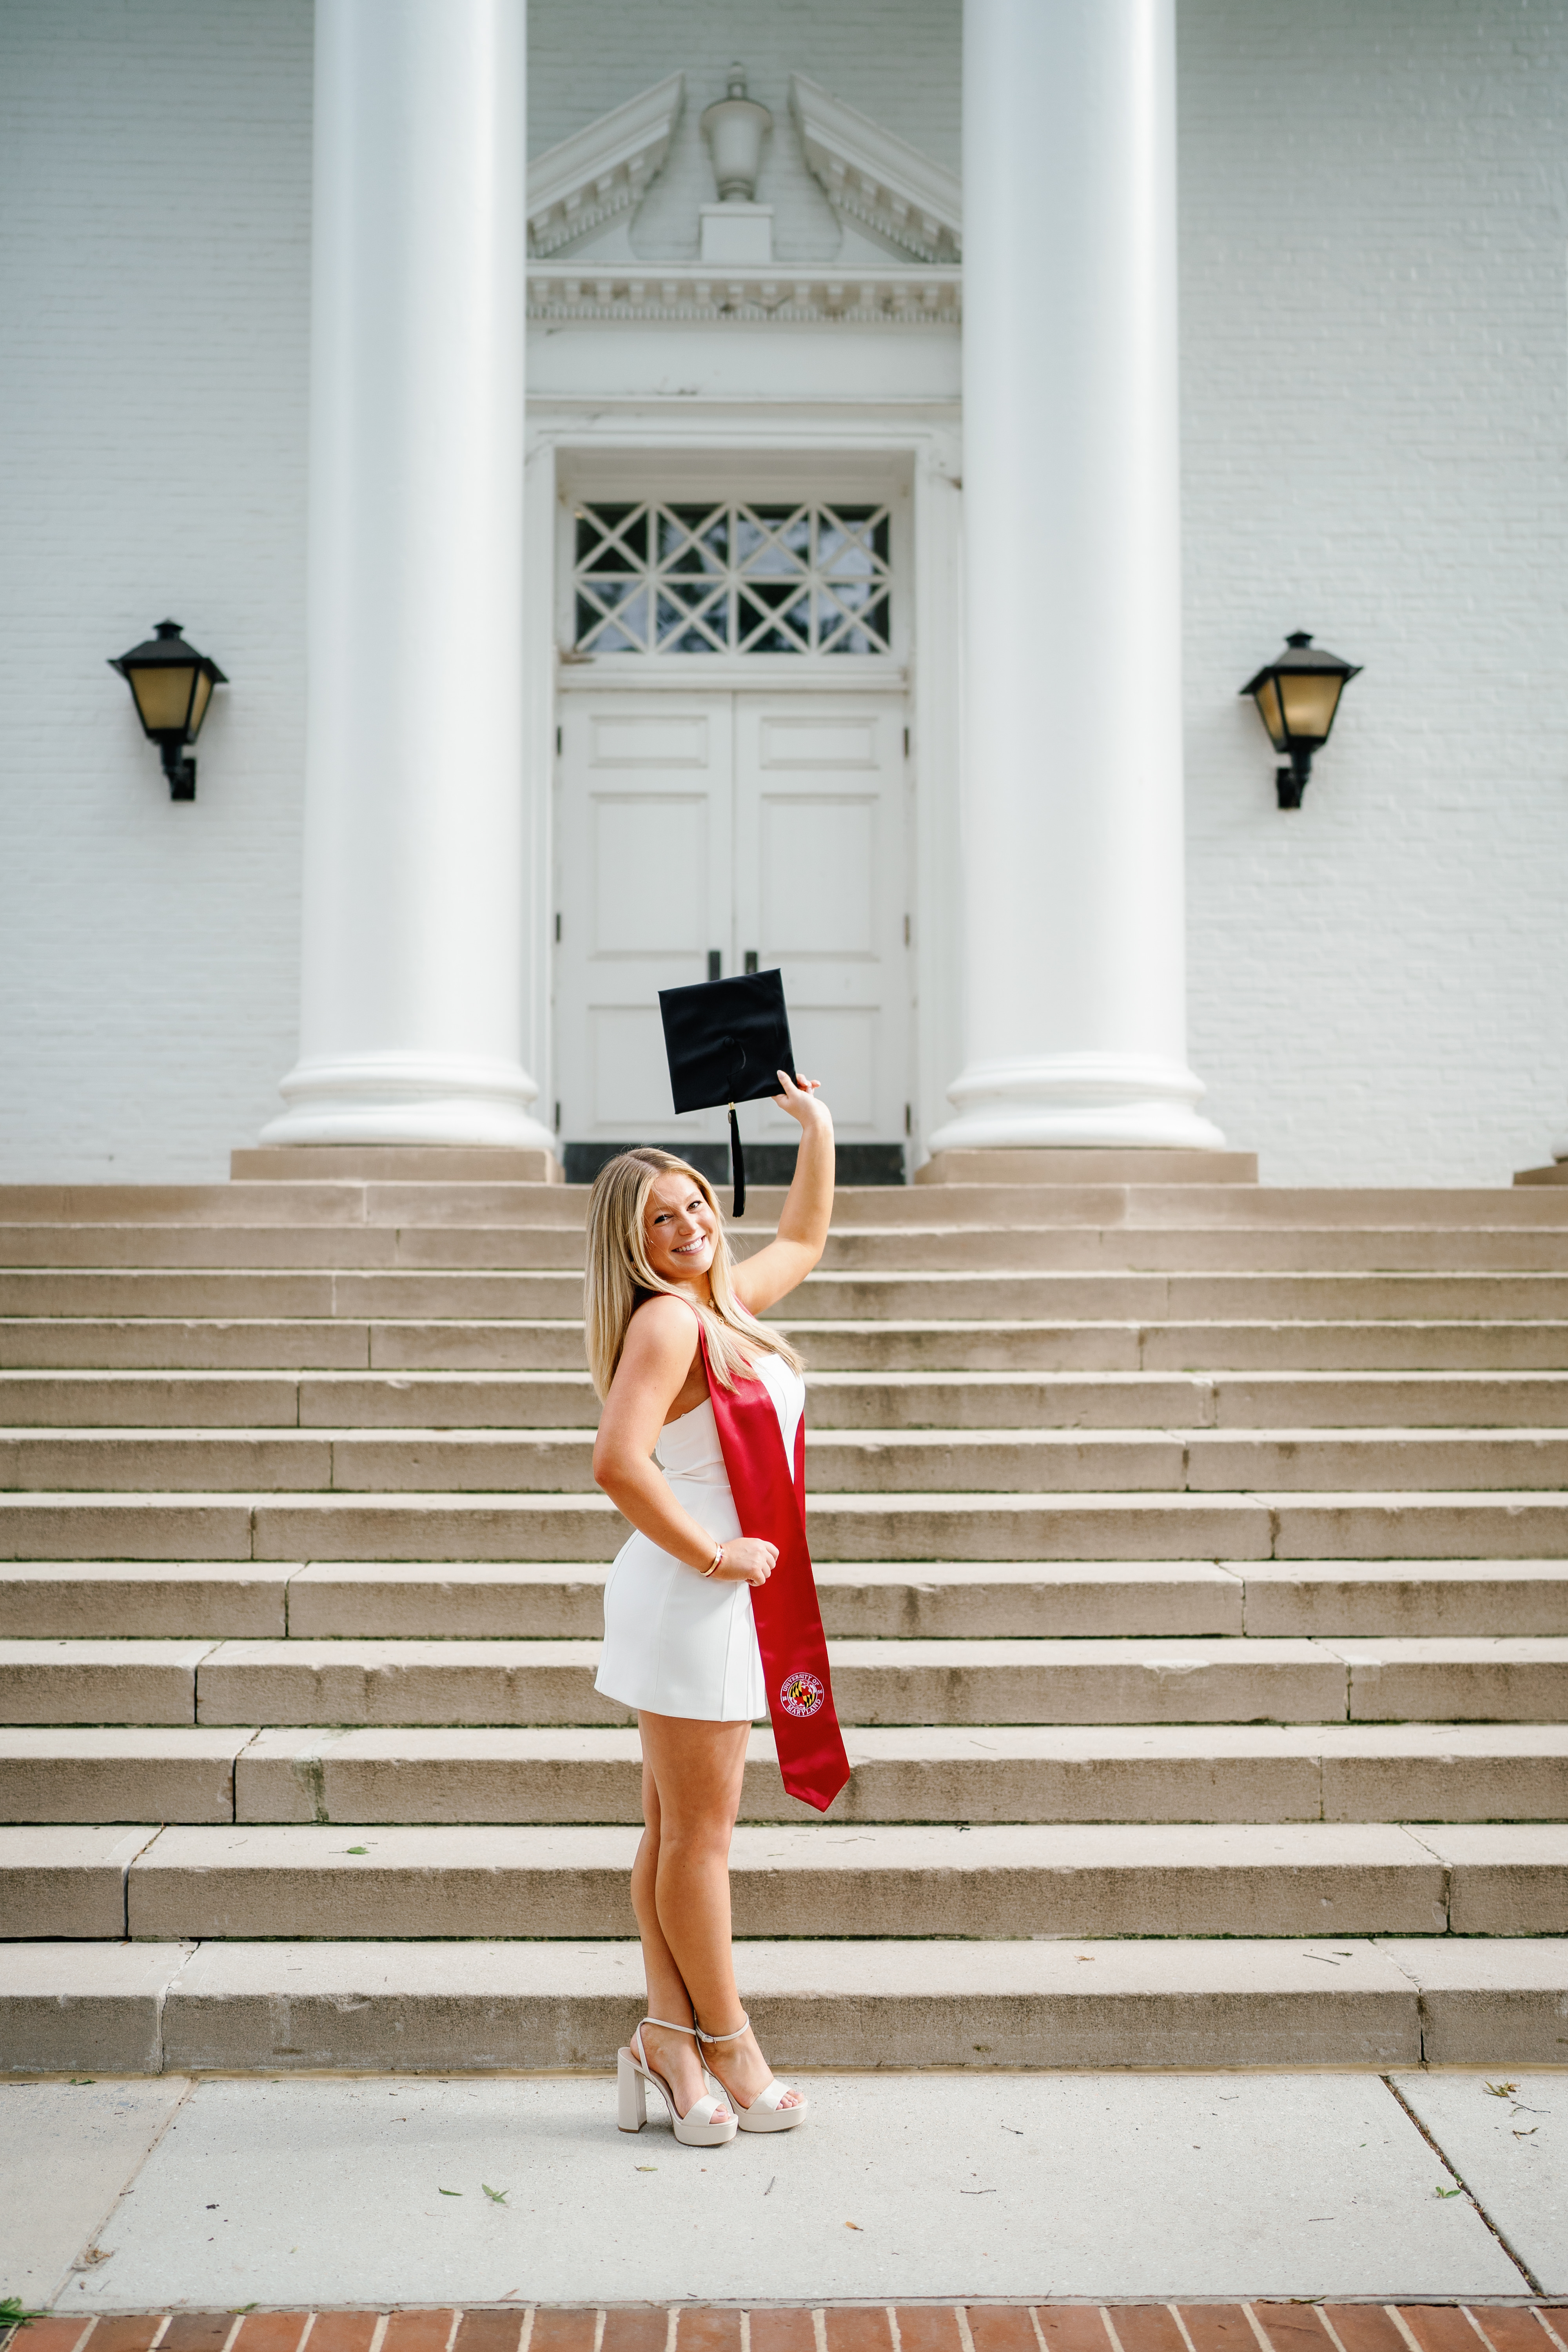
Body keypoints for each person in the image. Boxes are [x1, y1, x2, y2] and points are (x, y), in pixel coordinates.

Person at [585, 1070, 835, 2147]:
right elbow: (616, 1461)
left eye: (694, 1203)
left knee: (667, 1833)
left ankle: (666, 2045)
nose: (688, 1225)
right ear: (633, 1243)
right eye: (662, 1218)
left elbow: (805, 1240)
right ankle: (730, 2047)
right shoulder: (669, 1325)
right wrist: (714, 1550)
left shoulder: (724, 1308)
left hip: (700, 1596)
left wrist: (815, 1127)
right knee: (701, 1841)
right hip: (692, 1593)